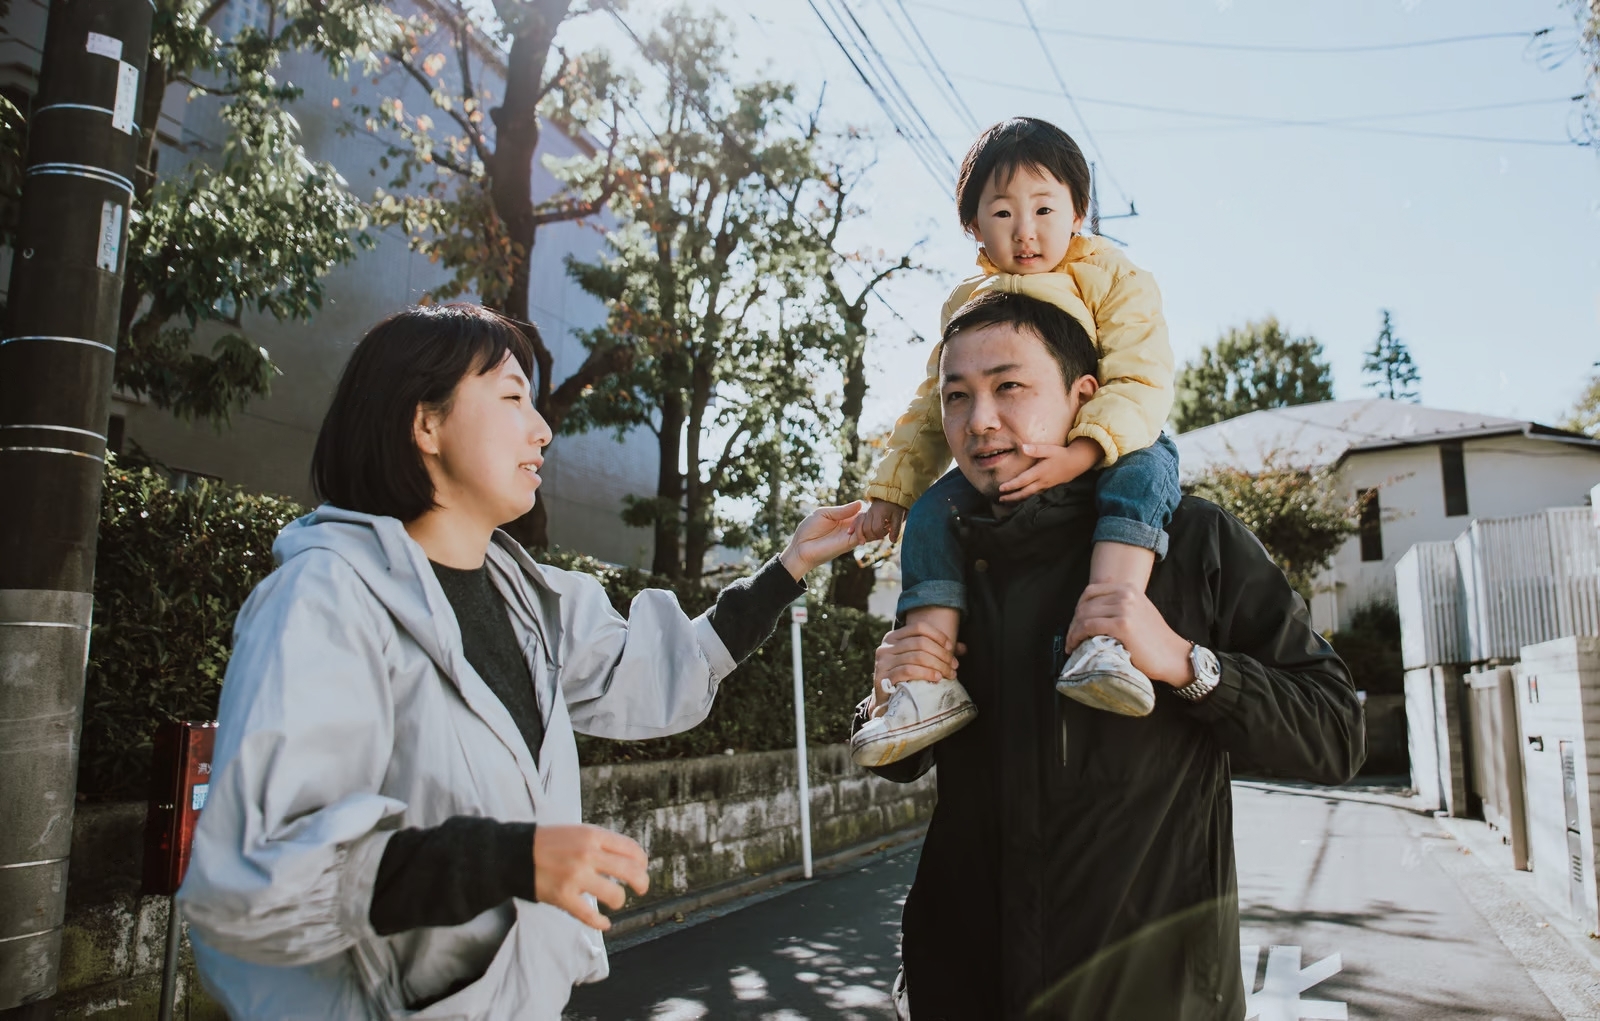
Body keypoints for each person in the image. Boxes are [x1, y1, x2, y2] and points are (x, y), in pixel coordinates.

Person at [177, 303, 865, 1020]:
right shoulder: (324, 597)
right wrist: (504, 858)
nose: (542, 428)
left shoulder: (521, 597)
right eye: (511, 397)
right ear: (426, 423)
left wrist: (787, 569)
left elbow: (657, 666)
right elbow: (258, 879)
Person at [856, 290, 1365, 1019]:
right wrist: (884, 695)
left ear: (1083, 396)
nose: (981, 421)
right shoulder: (945, 563)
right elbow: (906, 759)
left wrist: (1188, 663)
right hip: (965, 990)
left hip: (1155, 998)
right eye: (957, 397)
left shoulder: (1193, 541)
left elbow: (1335, 732)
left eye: (1010, 387)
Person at [850, 117, 1180, 769]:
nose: (1025, 231)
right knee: (932, 515)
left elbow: (1141, 374)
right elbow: (931, 403)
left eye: (1044, 208)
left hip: (1110, 441)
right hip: (1014, 465)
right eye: (1002, 212)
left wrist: (1082, 450)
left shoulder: (1110, 274)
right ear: (973, 225)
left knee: (1145, 473)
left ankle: (1106, 636)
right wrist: (893, 490)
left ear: (1078, 213)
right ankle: (926, 680)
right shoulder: (968, 299)